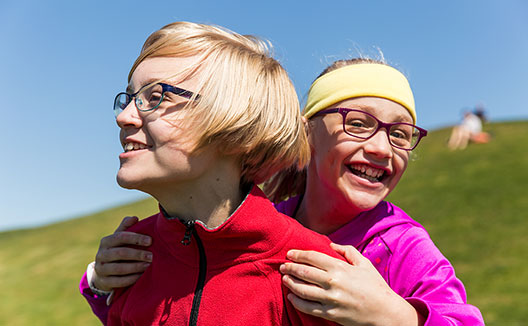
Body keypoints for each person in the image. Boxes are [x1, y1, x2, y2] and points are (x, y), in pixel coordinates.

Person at [81, 58, 485, 325]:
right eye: (358, 124)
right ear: (306, 135)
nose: (382, 148)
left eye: (400, 133)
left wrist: (397, 317)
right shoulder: (254, 223)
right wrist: (102, 282)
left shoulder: (404, 247)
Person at [85, 21, 347, 326]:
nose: (124, 116)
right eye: (129, 98)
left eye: (156, 96)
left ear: (235, 120)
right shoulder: (130, 258)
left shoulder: (315, 271)